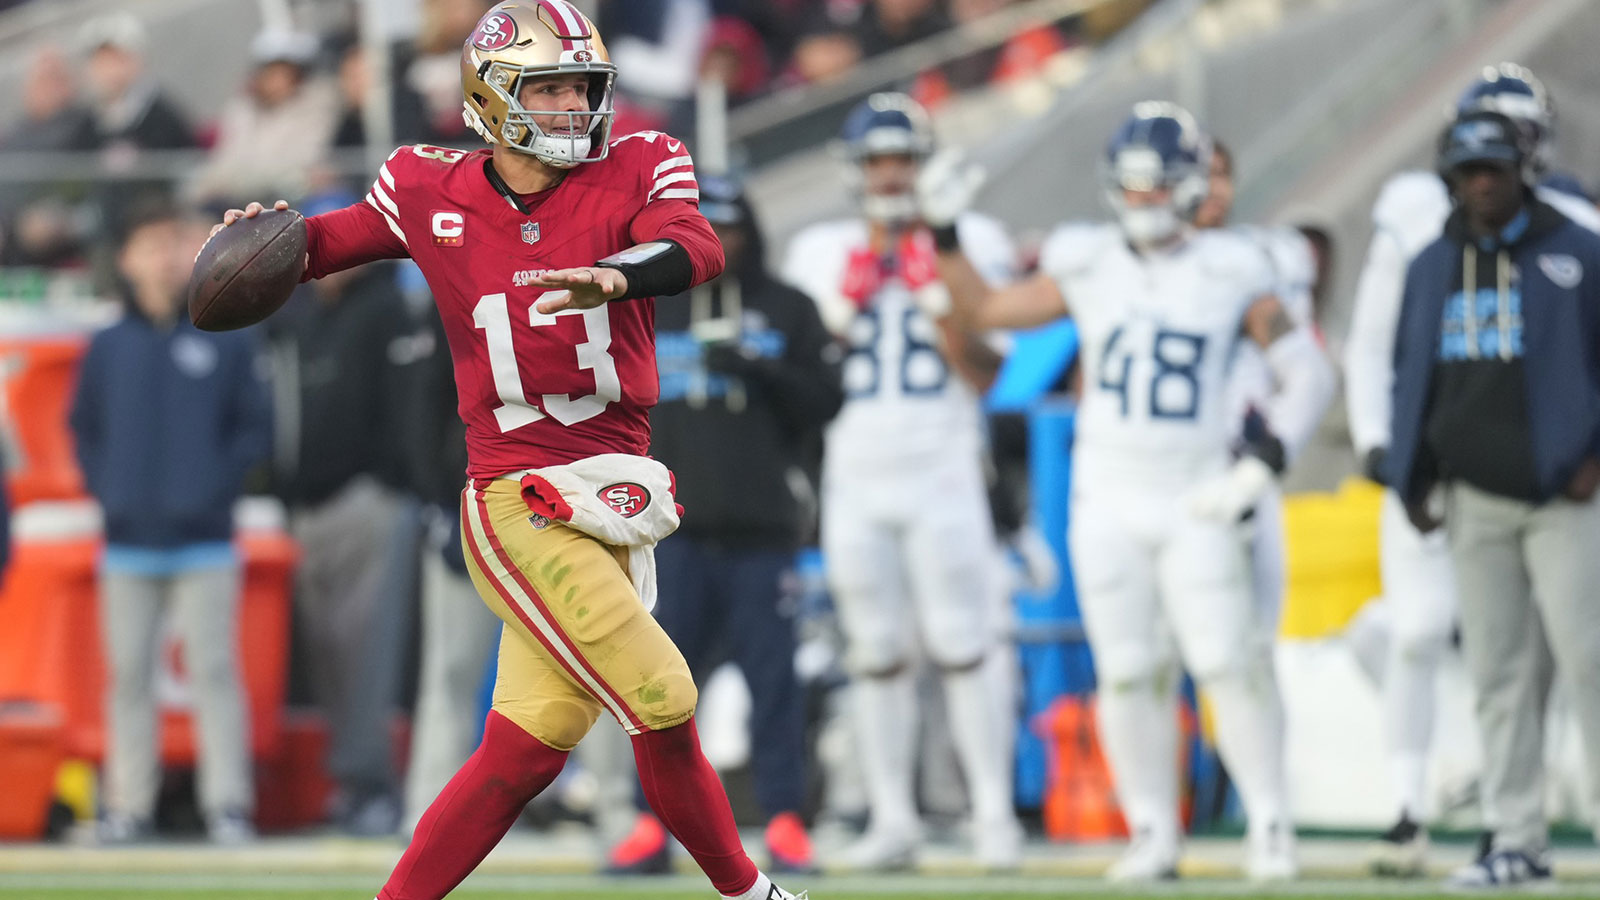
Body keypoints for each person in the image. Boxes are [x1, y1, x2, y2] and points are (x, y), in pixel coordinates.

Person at [215, 3, 800, 898]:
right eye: (550, 86)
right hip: (518, 495)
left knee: (522, 754)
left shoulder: (643, 160)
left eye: (583, 87)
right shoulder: (425, 184)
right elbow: (322, 248)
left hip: (613, 483)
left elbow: (696, 245)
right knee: (663, 693)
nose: (573, 106)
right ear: (491, 96)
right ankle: (753, 893)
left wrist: (618, 273)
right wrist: (267, 238)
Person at [922, 101, 1335, 882]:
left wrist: (1265, 460)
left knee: (1227, 661)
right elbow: (983, 309)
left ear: (1185, 186)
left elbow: (1307, 370)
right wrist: (942, 232)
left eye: (1156, 187)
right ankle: (1152, 831)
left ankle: (1272, 827)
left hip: (1196, 491)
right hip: (1106, 493)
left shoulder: (1235, 269)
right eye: (1133, 187)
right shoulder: (1088, 259)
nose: (1143, 201)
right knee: (1126, 669)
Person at [1340, 62, 1600, 876]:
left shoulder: (1580, 248)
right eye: (1468, 171)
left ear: (1526, 162)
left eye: (1493, 167)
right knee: (1498, 674)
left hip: (1566, 492)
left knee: (1592, 663)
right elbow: (1412, 367)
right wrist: (1410, 471)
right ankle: (1516, 838)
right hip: (1475, 497)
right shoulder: (1427, 260)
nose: (1480, 185)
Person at [781, 92, 1023, 872]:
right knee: (875, 648)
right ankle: (892, 815)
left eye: (902, 160)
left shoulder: (970, 238)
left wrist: (939, 298)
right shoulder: (821, 249)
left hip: (944, 466)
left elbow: (989, 375)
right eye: (877, 162)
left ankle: (992, 815)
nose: (890, 176)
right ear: (854, 172)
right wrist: (842, 311)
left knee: (964, 639)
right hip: (855, 473)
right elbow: (801, 375)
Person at [606, 174, 842, 875]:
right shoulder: (648, 307)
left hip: (763, 531)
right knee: (658, 691)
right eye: (711, 229)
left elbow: (827, 401)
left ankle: (787, 820)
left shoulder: (789, 309)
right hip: (669, 534)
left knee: (776, 686)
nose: (723, 243)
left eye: (734, 230)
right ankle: (653, 825)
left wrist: (759, 370)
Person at [69, 202, 272, 845]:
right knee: (127, 677)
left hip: (206, 538)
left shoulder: (227, 336)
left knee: (215, 671)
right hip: (127, 541)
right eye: (150, 245)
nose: (163, 257)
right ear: (126, 259)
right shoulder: (106, 346)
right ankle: (129, 805)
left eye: (173, 243)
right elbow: (85, 430)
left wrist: (211, 491)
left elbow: (253, 431)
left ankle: (228, 806)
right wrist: (111, 494)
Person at [263, 187, 417, 836]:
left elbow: (407, 411)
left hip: (368, 499)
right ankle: (351, 781)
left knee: (368, 653)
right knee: (327, 653)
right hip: (304, 505)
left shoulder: (390, 309)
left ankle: (373, 783)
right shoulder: (291, 314)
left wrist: (392, 482)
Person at [1192, 139, 1322, 647]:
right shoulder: (1129, 266)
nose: (1213, 187)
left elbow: (1308, 373)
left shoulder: (1258, 263)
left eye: (1223, 173)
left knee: (1253, 642)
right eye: (1203, 173)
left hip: (1240, 468)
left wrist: (1268, 452)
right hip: (1161, 475)